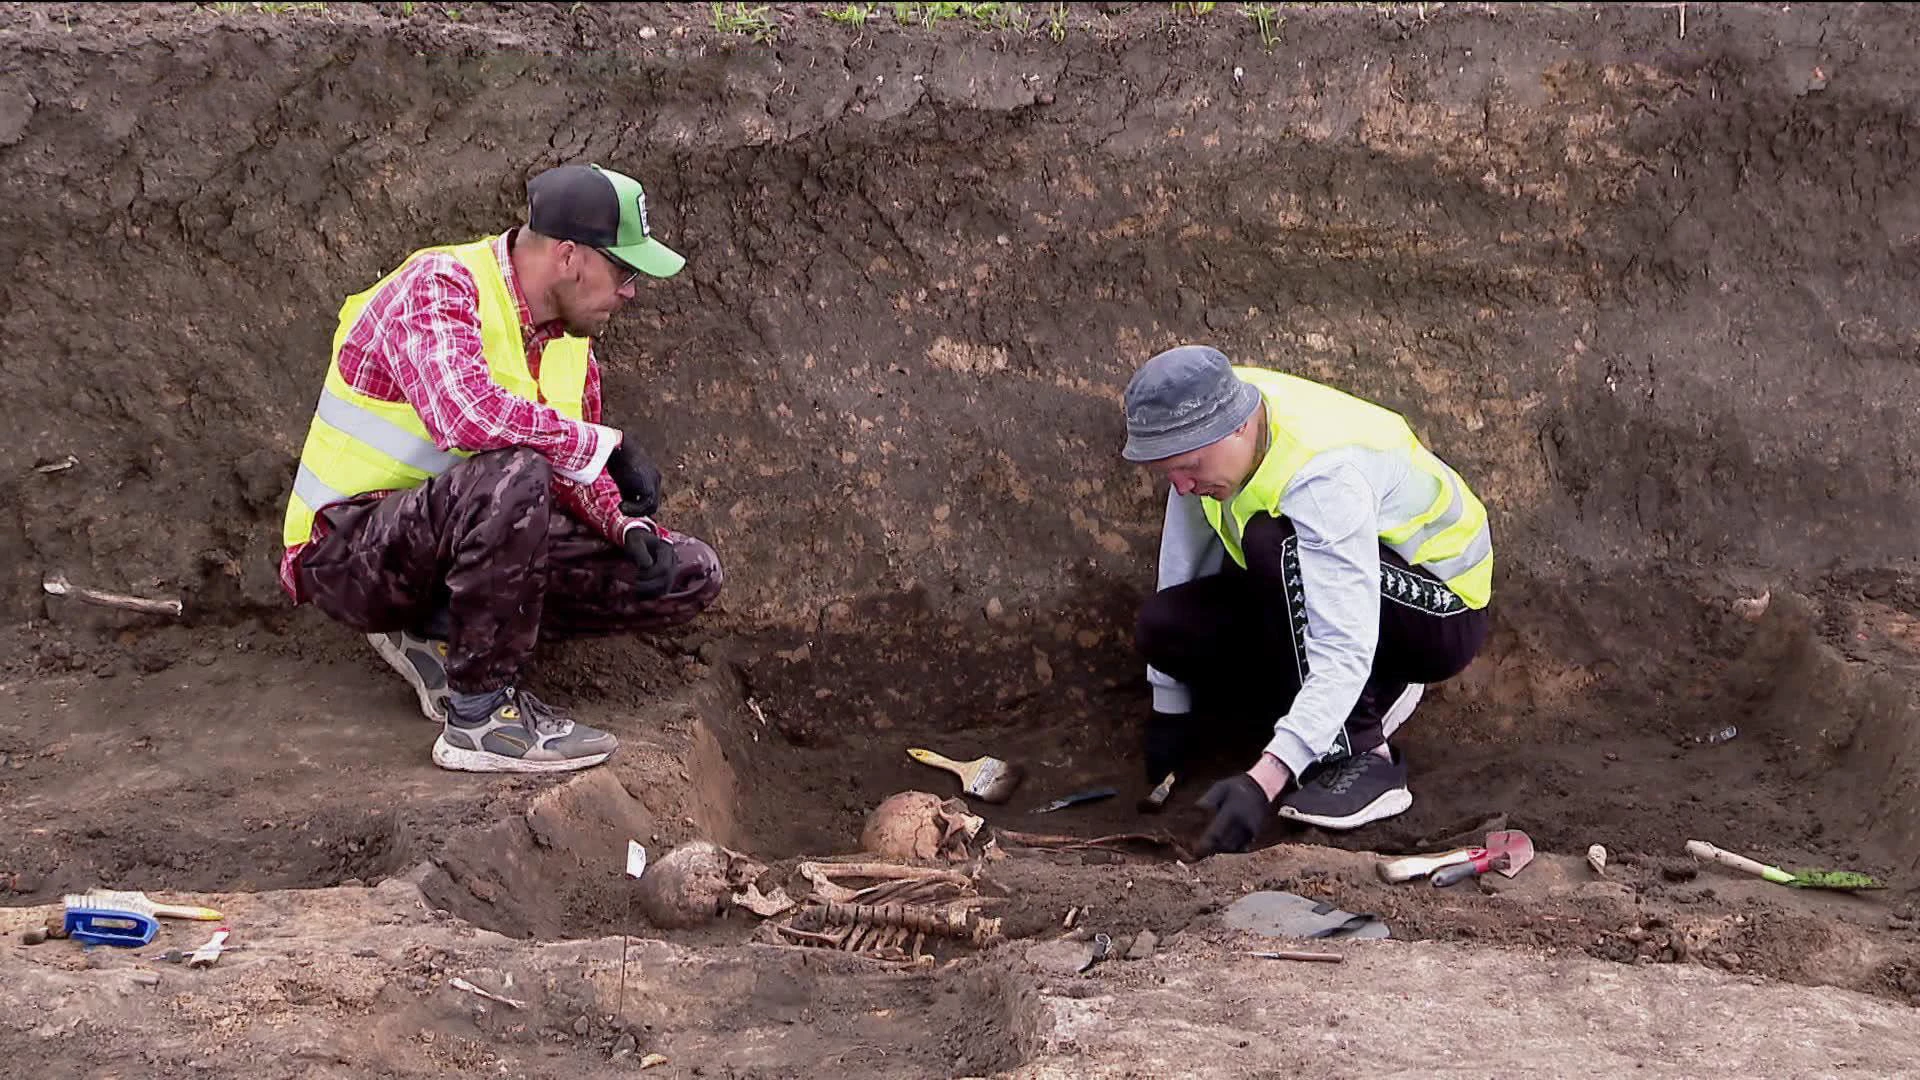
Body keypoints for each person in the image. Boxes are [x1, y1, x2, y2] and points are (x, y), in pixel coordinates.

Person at [277, 163, 723, 775]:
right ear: (570, 256)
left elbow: (571, 465)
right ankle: (481, 721)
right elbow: (466, 416)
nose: (630, 292)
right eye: (623, 270)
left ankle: (439, 638)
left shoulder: (569, 340)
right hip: (350, 554)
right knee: (516, 473)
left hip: (446, 549)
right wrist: (606, 444)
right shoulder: (440, 286)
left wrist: (626, 528)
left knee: (689, 570)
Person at [1122, 345, 1493, 854]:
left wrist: (1263, 782)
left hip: (1437, 609)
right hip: (1333, 581)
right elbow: (1183, 559)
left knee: (1275, 546)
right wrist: (1170, 706)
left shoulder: (1323, 477)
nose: (1182, 486)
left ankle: (1367, 757)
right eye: (1169, 471)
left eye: (1188, 467)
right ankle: (1342, 705)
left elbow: (1343, 646)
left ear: (1236, 428)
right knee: (1165, 626)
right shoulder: (1207, 417)